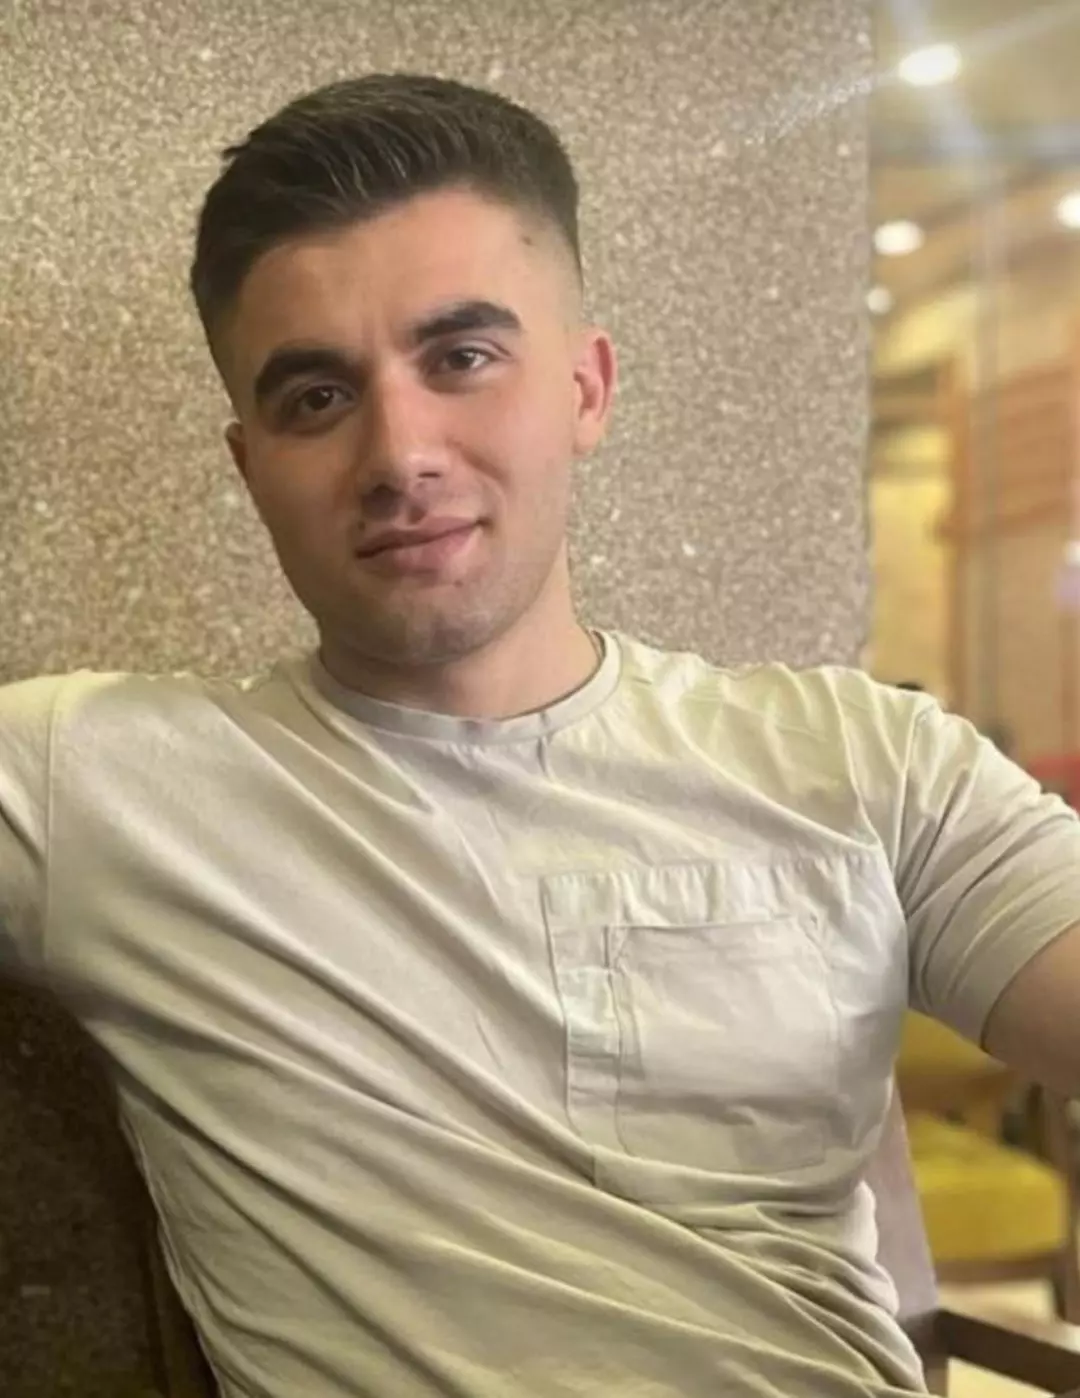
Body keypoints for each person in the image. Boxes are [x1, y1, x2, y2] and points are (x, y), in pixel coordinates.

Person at [2, 73, 1079, 1398]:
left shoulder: (866, 761)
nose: (400, 453)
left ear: (586, 388)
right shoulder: (95, 785)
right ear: (249, 466)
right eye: (317, 398)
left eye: (461, 358)